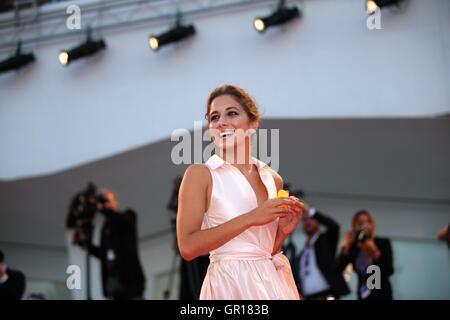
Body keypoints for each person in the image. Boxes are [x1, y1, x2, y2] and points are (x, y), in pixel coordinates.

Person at [176, 84, 304, 300]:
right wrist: (252, 217)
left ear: (253, 124)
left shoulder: (273, 178)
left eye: (232, 113)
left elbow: (260, 251)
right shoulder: (200, 174)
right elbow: (187, 246)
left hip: (272, 284)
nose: (222, 122)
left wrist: (281, 234)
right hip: (228, 285)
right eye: (214, 117)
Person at [84, 189, 146, 299]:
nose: (105, 203)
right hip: (114, 284)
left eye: (108, 200)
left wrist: (103, 208)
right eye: (104, 201)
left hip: (130, 281)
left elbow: (122, 221)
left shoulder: (129, 215)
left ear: (116, 202)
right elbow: (103, 254)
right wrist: (84, 243)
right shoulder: (105, 228)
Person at [292, 202, 349, 300]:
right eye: (304, 219)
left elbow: (334, 227)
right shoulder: (302, 254)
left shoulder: (325, 241)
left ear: (318, 221)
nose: (308, 222)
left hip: (328, 295)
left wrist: (310, 211)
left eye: (311, 218)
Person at [337, 210, 394, 300]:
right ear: (354, 227)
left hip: (383, 295)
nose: (364, 226)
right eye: (360, 223)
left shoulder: (382, 243)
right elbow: (337, 268)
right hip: (363, 296)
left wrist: (374, 250)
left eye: (368, 222)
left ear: (373, 225)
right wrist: (347, 246)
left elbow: (389, 270)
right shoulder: (353, 248)